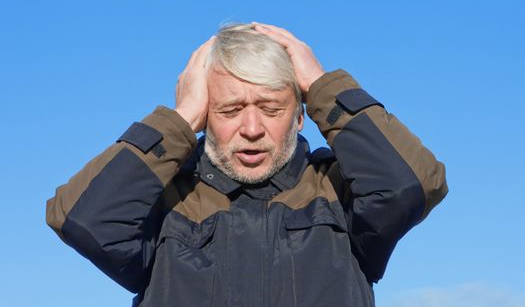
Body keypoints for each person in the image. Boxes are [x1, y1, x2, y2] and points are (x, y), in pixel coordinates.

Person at [46, 22, 448, 307]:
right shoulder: (165, 203)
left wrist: (324, 85)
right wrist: (179, 117)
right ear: (205, 117)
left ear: (302, 114)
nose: (252, 128)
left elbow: (412, 184)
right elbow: (80, 219)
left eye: (271, 108)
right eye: (230, 108)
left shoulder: (339, 193)